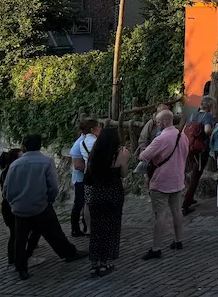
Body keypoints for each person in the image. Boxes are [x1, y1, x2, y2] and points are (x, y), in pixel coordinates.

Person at [2, 134, 88, 280]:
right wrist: (49, 199)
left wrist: (14, 202)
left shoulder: (15, 165)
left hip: (20, 207)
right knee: (54, 230)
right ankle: (68, 253)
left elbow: (7, 189)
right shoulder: (46, 162)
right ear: (40, 145)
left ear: (24, 146)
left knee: (20, 239)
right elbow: (53, 186)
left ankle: (21, 268)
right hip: (40, 205)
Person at [139, 110, 189, 260]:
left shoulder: (161, 139)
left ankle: (156, 248)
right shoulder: (183, 136)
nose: (157, 125)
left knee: (159, 215)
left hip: (161, 181)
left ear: (164, 122)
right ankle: (178, 240)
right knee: (176, 210)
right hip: (177, 179)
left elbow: (144, 156)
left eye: (158, 122)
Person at [84, 126, 130, 277]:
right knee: (111, 228)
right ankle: (105, 263)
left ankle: (94, 263)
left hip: (97, 194)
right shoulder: (121, 153)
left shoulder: (94, 154)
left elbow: (89, 173)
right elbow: (123, 174)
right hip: (113, 193)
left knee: (97, 230)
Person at [0, 148, 40, 268]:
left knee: (16, 234)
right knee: (19, 234)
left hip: (10, 206)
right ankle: (20, 259)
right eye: (21, 156)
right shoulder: (11, 172)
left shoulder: (8, 170)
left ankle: (13, 259)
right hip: (13, 207)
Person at [181, 95, 215, 215]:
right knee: (196, 175)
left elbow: (185, 129)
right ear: (210, 106)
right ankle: (186, 204)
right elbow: (207, 130)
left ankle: (190, 198)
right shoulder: (208, 116)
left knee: (193, 173)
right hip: (201, 149)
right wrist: (213, 132)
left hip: (190, 148)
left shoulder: (192, 115)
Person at [68, 118, 100, 237]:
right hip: (81, 179)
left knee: (84, 203)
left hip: (86, 177)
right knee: (80, 203)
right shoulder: (79, 144)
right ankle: (75, 228)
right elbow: (77, 165)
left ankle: (85, 225)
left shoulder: (86, 140)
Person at [135, 104, 170, 190]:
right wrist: (145, 153)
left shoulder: (167, 121)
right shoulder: (151, 123)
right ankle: (150, 192)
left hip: (162, 153)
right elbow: (143, 139)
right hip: (150, 151)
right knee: (148, 175)